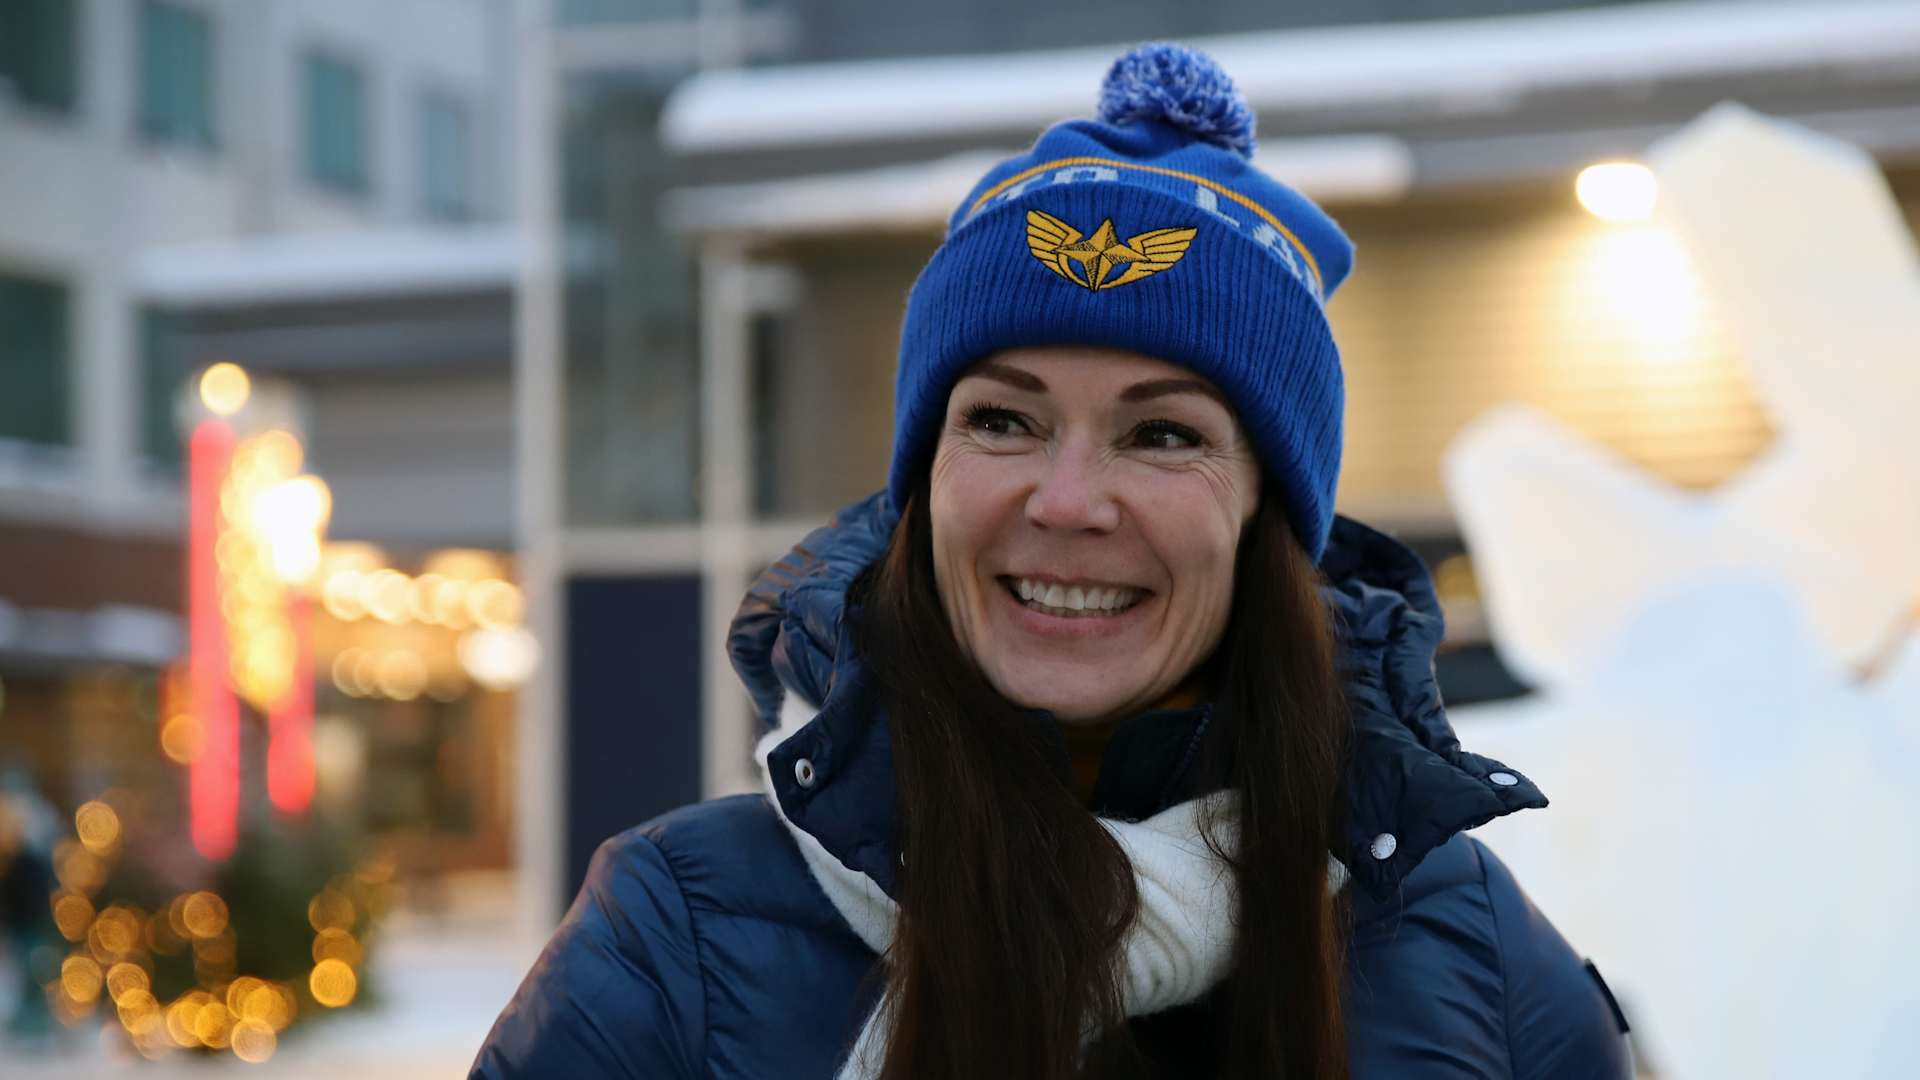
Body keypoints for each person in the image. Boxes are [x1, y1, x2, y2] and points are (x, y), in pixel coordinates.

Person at [473, 42, 1634, 1080]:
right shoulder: (677, 940)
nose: (1069, 501)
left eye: (1163, 434)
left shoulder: (1477, 963)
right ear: (924, 485)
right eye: (1002, 420)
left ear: (1263, 517)